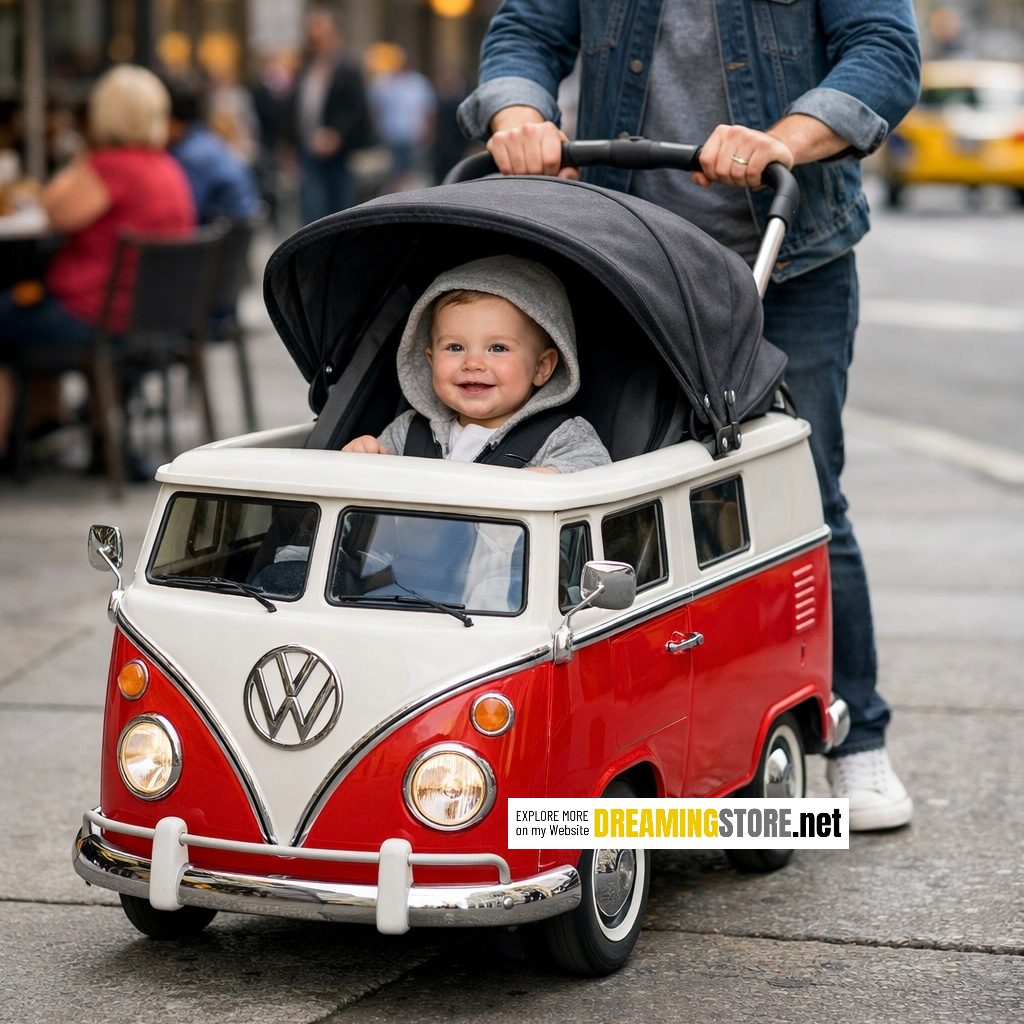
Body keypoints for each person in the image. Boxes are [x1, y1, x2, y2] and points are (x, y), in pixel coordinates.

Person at [457, 1, 922, 830]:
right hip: (630, 254)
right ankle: (620, 730)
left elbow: (883, 49)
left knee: (805, 491)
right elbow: (528, 28)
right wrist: (518, 113)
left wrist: (785, 137)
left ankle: (856, 735)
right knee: (621, 484)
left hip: (789, 254)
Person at [0, 64, 195, 463]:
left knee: (7, 317)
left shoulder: (111, 167)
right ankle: (49, 422)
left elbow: (54, 211)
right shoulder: (167, 167)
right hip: (150, 317)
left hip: (101, 317)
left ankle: (16, 441)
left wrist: (83, 157)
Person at [343, 255, 610, 473]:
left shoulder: (560, 438)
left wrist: (551, 480)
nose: (473, 363)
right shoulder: (408, 432)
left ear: (541, 367)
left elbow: (595, 477)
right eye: (455, 347)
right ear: (431, 361)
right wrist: (364, 457)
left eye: (498, 348)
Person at [292, 5, 374, 222]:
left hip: (339, 156)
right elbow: (296, 108)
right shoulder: (307, 68)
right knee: (312, 211)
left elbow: (357, 110)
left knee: (339, 211)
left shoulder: (348, 68)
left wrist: (337, 135)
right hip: (309, 151)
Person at [165, 73, 260, 225]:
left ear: (171, 119)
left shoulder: (190, 156)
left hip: (220, 234)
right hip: (236, 229)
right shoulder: (204, 140)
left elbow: (186, 214)